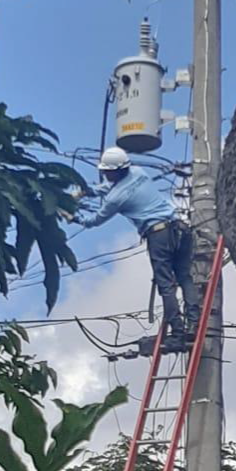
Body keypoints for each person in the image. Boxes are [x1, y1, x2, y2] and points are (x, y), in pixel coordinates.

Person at [75, 147, 199, 351]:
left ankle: (178, 332)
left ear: (115, 171)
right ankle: (193, 324)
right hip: (180, 228)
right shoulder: (138, 172)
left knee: (166, 285)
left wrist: (75, 218)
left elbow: (96, 220)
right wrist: (89, 191)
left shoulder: (116, 199)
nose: (105, 174)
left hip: (159, 235)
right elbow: (109, 187)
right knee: (185, 277)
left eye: (107, 171)